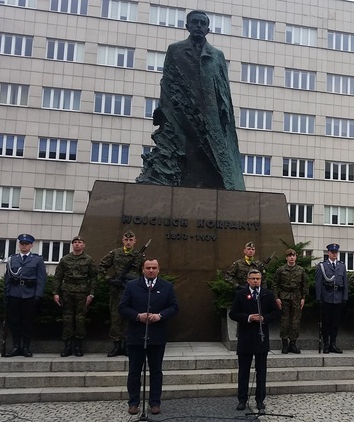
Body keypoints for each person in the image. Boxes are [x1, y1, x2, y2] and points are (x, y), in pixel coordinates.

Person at [136, 10, 245, 190]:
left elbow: (224, 88)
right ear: (187, 26)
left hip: (210, 115)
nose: (199, 26)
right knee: (185, 153)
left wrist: (224, 109)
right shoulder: (175, 50)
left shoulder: (217, 56)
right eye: (195, 22)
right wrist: (163, 109)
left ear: (208, 29)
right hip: (182, 112)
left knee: (214, 157)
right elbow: (167, 81)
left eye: (202, 24)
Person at [119, 258, 179, 416]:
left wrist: (160, 315)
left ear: (159, 269)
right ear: (142, 269)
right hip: (136, 335)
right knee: (134, 371)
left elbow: (174, 307)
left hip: (157, 335)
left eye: (154, 268)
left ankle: (155, 403)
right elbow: (123, 307)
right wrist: (138, 316)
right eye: (148, 268)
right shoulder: (132, 286)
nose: (151, 270)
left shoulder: (166, 286)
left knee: (156, 371)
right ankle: (133, 403)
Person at [229, 269, 280, 413]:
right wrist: (249, 317)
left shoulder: (267, 294)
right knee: (243, 371)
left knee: (261, 372)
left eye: (258, 278)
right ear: (248, 280)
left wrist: (264, 318)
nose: (256, 281)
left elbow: (275, 313)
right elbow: (233, 313)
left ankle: (260, 400)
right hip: (245, 338)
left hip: (261, 338)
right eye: (253, 278)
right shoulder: (241, 294)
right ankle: (242, 400)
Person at [98, 230, 145, 357]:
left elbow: (143, 274)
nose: (128, 242)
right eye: (126, 240)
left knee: (130, 319)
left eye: (131, 240)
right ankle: (116, 346)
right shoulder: (115, 253)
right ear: (123, 240)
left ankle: (127, 345)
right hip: (117, 291)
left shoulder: (139, 255)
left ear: (135, 241)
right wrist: (109, 279)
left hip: (133, 292)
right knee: (116, 318)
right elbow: (101, 266)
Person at [52, 236, 98, 357]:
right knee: (67, 318)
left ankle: (78, 346)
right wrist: (55, 293)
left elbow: (93, 278)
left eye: (80, 242)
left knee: (80, 319)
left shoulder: (88, 260)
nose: (77, 244)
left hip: (82, 293)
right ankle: (67, 346)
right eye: (75, 242)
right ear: (72, 245)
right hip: (67, 292)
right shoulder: (65, 259)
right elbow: (58, 277)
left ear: (84, 245)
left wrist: (91, 294)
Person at [4, 233, 47, 357]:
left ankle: (26, 347)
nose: (24, 246)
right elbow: (8, 277)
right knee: (14, 321)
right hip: (14, 293)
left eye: (26, 244)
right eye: (22, 244)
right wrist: (6, 293)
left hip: (30, 294)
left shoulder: (37, 259)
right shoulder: (12, 259)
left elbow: (41, 279)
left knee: (28, 322)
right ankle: (16, 346)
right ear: (19, 245)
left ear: (31, 245)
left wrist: (38, 295)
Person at [272, 249, 308, 354]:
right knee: (285, 321)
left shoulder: (301, 270)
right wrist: (276, 298)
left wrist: (303, 298)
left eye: (293, 255)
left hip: (297, 297)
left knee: (296, 321)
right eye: (289, 256)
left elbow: (305, 285)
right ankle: (284, 344)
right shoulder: (281, 270)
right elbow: (275, 284)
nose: (291, 257)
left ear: (296, 257)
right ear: (286, 257)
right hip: (284, 297)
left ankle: (293, 343)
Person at [315, 243, 348, 353]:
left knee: (335, 323)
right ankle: (326, 344)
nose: (335, 255)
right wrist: (319, 298)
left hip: (338, 297)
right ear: (328, 253)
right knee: (326, 323)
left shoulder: (342, 266)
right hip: (327, 297)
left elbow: (345, 282)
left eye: (336, 253)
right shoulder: (322, 266)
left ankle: (333, 344)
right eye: (332, 252)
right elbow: (318, 283)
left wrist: (345, 296)